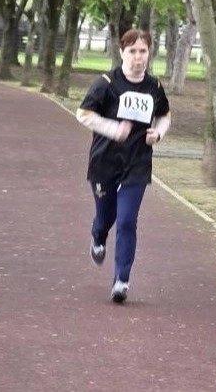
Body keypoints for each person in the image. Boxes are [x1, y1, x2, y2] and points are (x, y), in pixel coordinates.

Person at [75, 28, 171, 303]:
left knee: (127, 220)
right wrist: (113, 129)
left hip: (137, 163)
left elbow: (164, 116)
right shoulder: (106, 83)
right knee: (106, 217)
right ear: (122, 53)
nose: (138, 57)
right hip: (104, 161)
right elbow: (83, 114)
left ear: (149, 53)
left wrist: (158, 133)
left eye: (143, 51)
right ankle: (98, 237)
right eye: (132, 51)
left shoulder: (154, 87)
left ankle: (121, 280)